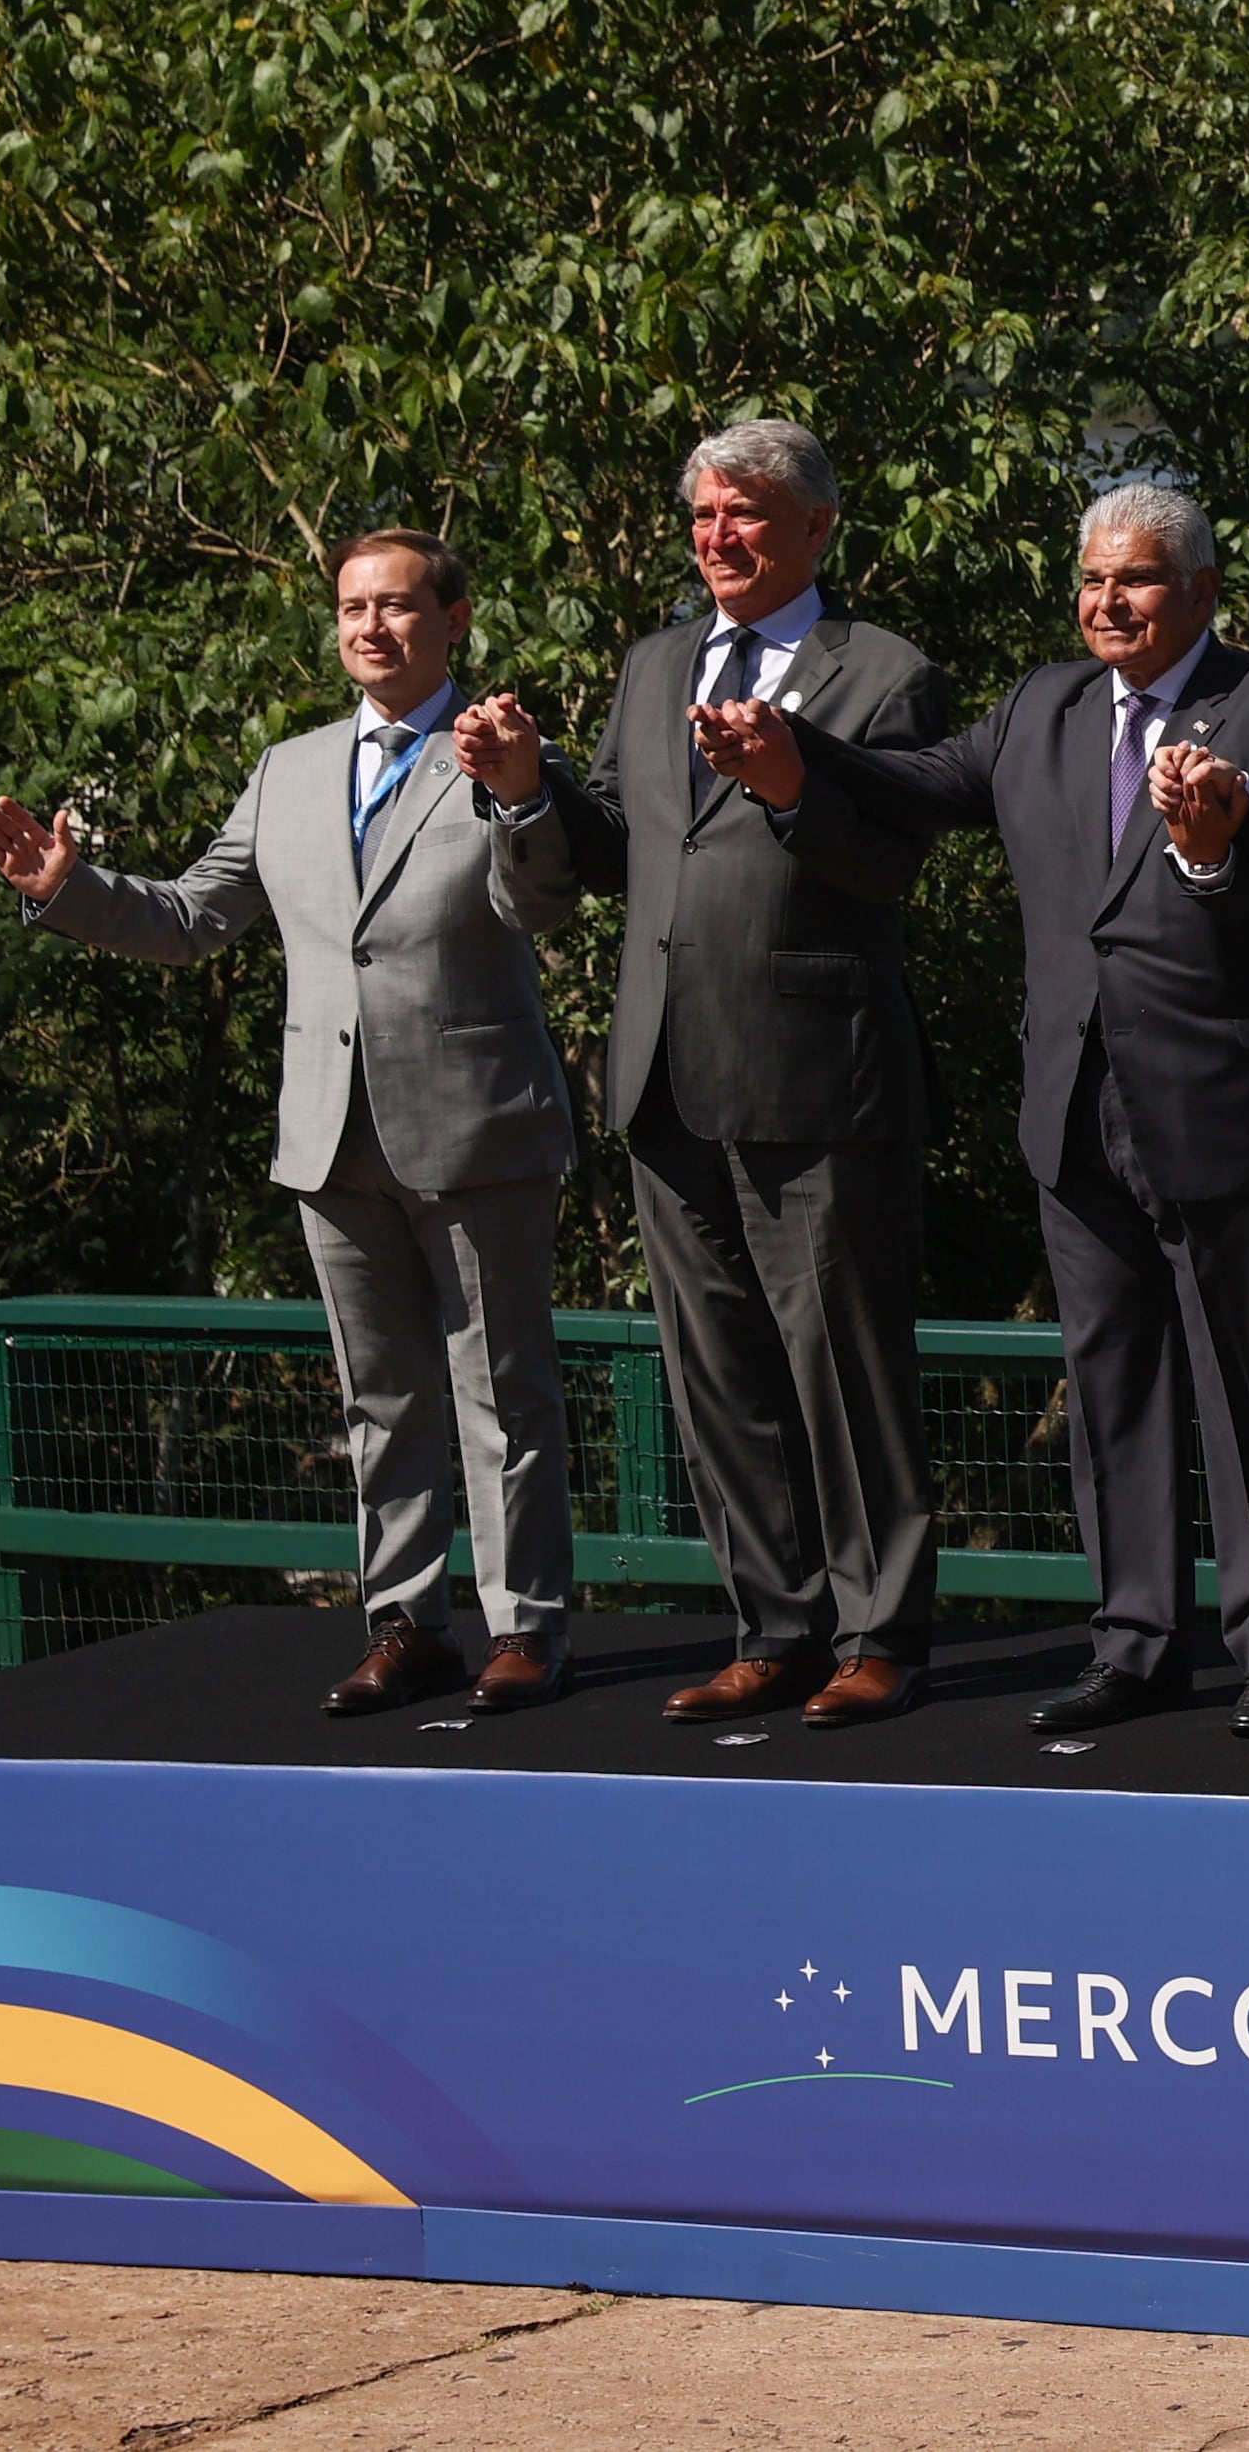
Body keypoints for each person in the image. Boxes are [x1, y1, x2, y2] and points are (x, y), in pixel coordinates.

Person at [696, 484, 1249, 1739]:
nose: (1109, 601)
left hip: (1238, 1109)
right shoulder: (1042, 706)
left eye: (1140, 580)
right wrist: (793, 762)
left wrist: (1232, 832)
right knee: (1110, 1384)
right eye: (1094, 581)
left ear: (1204, 591)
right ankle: (1135, 1641)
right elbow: (914, 785)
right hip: (1074, 1108)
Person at [0, 532, 583, 1712]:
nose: (370, 626)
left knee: (502, 1394)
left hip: (477, 1127)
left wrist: (518, 793)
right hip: (329, 1130)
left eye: (397, 606)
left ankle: (526, 1629)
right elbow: (198, 916)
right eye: (352, 606)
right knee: (378, 1396)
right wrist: (67, 887)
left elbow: (540, 901)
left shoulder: (500, 755)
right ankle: (407, 1621)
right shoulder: (292, 769)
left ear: (452, 621)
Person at [455, 419, 954, 1727]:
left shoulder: (884, 673)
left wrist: (795, 785)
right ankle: (775, 1626)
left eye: (744, 514)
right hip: (667, 1075)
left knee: (844, 1374)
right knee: (721, 1377)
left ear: (816, 530)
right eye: (703, 517)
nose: (717, 536)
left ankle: (880, 1636)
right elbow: (612, 847)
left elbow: (890, 858)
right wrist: (525, 791)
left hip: (819, 1076)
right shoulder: (656, 663)